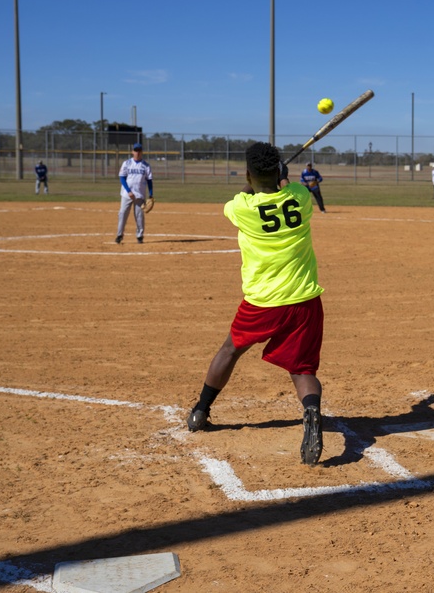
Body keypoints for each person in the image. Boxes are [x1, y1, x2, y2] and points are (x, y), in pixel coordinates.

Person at [186, 142, 326, 465]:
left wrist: (262, 180)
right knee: (302, 368)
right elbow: (290, 192)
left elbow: (247, 193)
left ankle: (200, 411)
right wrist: (284, 180)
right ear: (279, 173)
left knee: (229, 351)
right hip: (304, 299)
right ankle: (312, 410)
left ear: (249, 174)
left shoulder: (241, 209)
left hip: (262, 302)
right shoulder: (301, 198)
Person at [115, 143, 153, 244]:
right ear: (132, 152)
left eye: (139, 150)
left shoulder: (146, 165)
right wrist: (128, 191)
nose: (137, 152)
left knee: (139, 215)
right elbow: (122, 178)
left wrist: (151, 194)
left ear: (142, 152)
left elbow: (149, 180)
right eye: (136, 150)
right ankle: (119, 235)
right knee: (122, 214)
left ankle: (140, 236)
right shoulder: (126, 163)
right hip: (127, 194)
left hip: (140, 195)